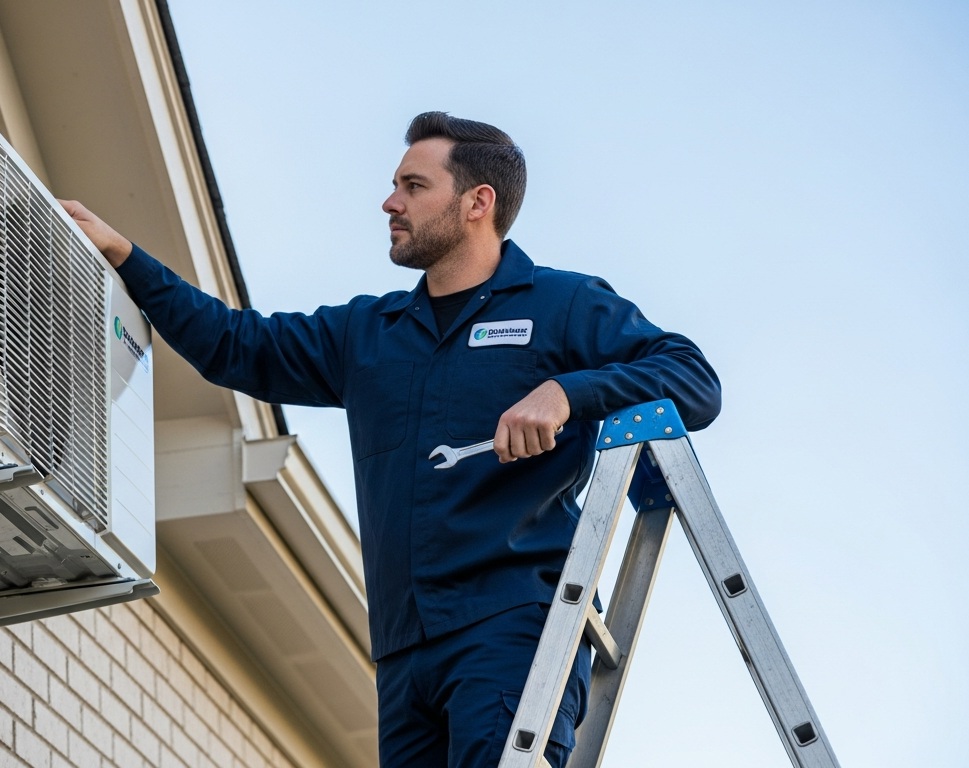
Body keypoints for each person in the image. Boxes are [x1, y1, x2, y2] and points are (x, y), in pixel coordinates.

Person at [61, 112, 721, 768]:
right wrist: (126, 257)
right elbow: (239, 347)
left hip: (512, 624)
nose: (390, 201)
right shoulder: (368, 334)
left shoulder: (560, 306)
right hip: (404, 656)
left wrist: (568, 393)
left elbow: (693, 379)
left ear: (476, 203)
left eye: (413, 185)